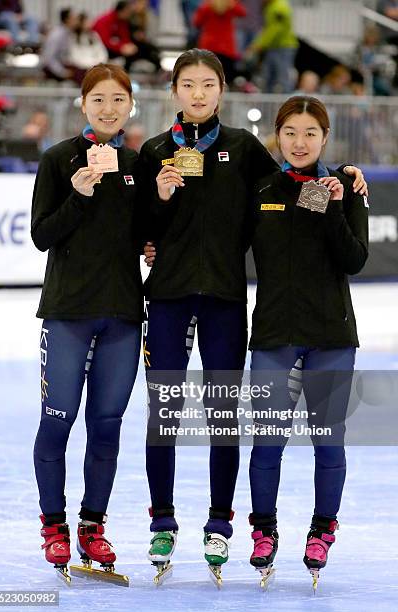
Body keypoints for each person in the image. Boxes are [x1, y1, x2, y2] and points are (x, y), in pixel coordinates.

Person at [138, 48, 367, 581]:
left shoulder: (244, 151)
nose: (198, 93)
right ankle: (168, 520)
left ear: (222, 91)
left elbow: (313, 203)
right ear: (175, 90)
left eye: (208, 85)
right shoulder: (154, 152)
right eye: (188, 84)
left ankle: (229, 522)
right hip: (189, 304)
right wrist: (156, 222)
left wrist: (343, 179)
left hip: (247, 308)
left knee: (260, 427)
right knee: (167, 417)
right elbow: (143, 226)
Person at [247, 96, 368, 589]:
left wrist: (335, 203)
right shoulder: (261, 189)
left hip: (330, 334)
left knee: (328, 440)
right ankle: (264, 531)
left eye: (310, 134)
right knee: (267, 440)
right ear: (278, 135)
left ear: (324, 138)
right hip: (274, 334)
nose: (300, 142)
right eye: (291, 132)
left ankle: (323, 529)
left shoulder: (345, 187)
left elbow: (353, 259)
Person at [31, 63, 143, 583]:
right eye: (98, 99)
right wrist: (80, 193)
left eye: (118, 99)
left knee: (106, 426)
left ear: (130, 106)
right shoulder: (57, 161)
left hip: (123, 314)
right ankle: (53, 524)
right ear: (82, 104)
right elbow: (42, 236)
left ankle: (92, 526)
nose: (108, 108)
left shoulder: (138, 165)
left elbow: (148, 233)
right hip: (68, 312)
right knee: (58, 420)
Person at [92, 1, 162, 74]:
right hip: (103, 48)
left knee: (144, 49)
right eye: (128, 12)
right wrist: (121, 47)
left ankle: (157, 71)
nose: (129, 14)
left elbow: (125, 36)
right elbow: (104, 41)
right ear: (122, 11)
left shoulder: (123, 20)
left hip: (117, 46)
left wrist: (128, 45)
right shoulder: (104, 21)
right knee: (130, 53)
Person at [246, 0, 298, 93]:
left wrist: (259, 44)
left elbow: (275, 30)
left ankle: (290, 104)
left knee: (282, 77)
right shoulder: (273, 6)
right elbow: (269, 29)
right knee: (269, 77)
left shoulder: (279, 7)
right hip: (274, 47)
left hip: (283, 47)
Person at [193, 0, 246, 85]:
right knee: (226, 79)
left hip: (209, 46)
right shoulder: (230, 5)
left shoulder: (207, 6)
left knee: (207, 78)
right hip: (227, 47)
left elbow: (196, 22)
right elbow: (243, 13)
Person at [41, 7, 78, 82]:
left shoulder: (69, 33)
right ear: (67, 19)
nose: (76, 21)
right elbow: (49, 58)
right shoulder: (57, 35)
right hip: (53, 70)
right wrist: (63, 72)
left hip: (62, 66)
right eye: (74, 18)